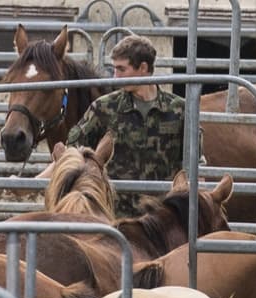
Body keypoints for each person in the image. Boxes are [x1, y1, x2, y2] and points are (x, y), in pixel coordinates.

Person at [66, 34, 186, 217]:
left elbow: (195, 163)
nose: (115, 76)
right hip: (115, 218)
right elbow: (72, 151)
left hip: (162, 222)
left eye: (121, 69)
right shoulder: (104, 108)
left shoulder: (179, 109)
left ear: (143, 68)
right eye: (114, 69)